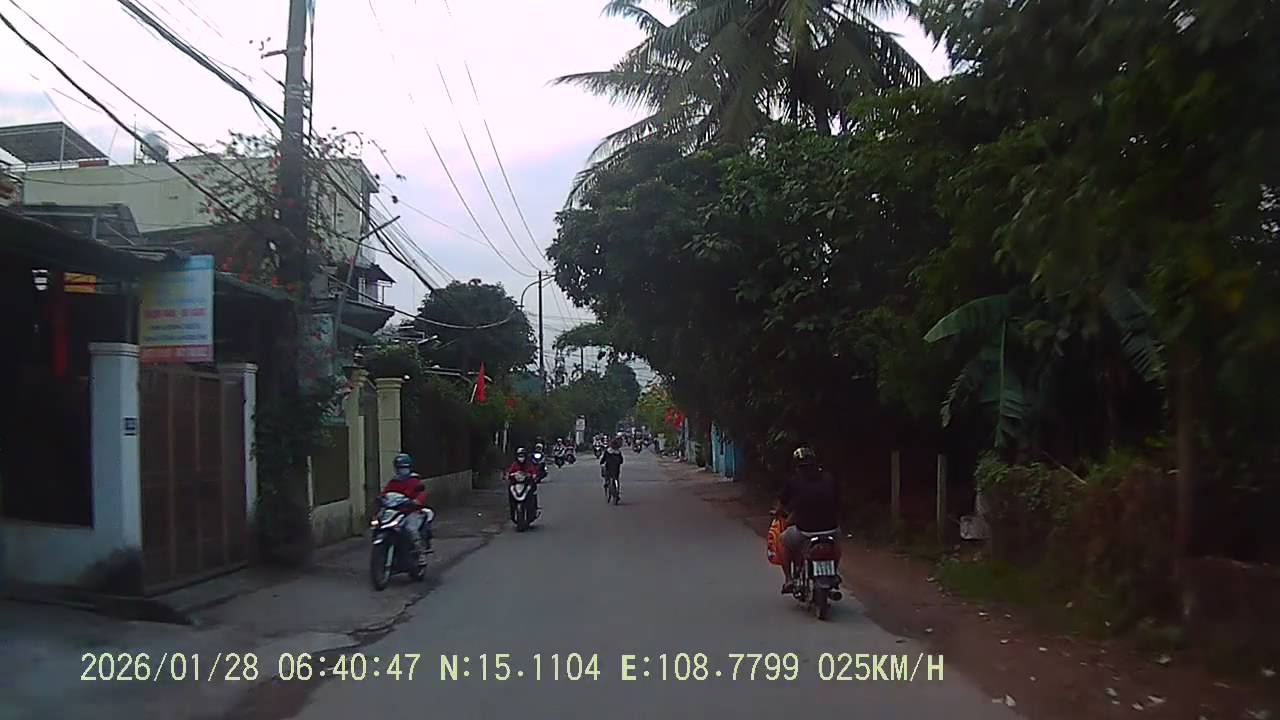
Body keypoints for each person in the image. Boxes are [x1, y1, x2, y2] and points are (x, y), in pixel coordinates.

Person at [776, 446, 841, 594]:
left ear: (796, 466)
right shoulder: (829, 479)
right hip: (831, 529)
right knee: (836, 544)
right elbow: (838, 503)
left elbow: (781, 505)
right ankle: (833, 573)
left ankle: (789, 579)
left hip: (805, 531)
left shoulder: (793, 482)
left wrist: (777, 513)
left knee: (782, 541)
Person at [381, 453, 431, 564]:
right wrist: (380, 498)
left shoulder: (414, 481)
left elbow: (422, 493)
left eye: (404, 468)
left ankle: (420, 554)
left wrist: (416, 501)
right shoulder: (394, 482)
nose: (401, 470)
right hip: (395, 512)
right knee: (382, 525)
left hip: (411, 512)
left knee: (411, 529)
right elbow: (385, 493)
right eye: (399, 468)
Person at [506, 447, 540, 521]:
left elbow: (534, 472)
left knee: (533, 491)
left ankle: (534, 509)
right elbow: (509, 472)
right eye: (519, 456)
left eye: (522, 456)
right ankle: (512, 511)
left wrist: (533, 475)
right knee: (510, 491)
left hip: (527, 484)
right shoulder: (514, 464)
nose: (521, 458)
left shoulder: (529, 464)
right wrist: (510, 475)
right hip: (516, 484)